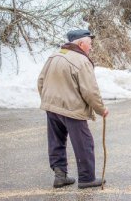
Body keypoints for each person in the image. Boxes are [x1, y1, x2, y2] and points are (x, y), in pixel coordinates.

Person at [37, 29, 109, 189]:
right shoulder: (81, 61)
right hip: (71, 109)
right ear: (81, 43)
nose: (91, 47)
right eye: (90, 44)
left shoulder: (54, 56)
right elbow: (90, 91)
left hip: (52, 107)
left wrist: (48, 100)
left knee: (56, 141)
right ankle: (87, 178)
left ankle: (60, 176)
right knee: (84, 143)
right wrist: (101, 109)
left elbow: (40, 81)